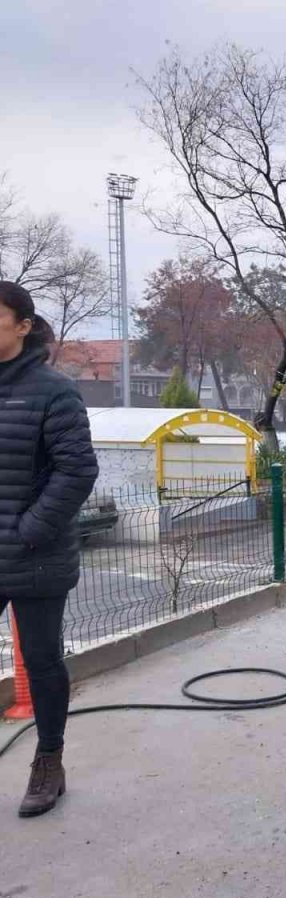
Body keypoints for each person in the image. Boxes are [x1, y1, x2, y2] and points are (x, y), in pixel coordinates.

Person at [0, 281, 99, 818]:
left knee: (40, 661)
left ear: (22, 326)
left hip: (34, 551)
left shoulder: (53, 391)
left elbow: (77, 469)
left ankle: (49, 761)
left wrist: (28, 530)